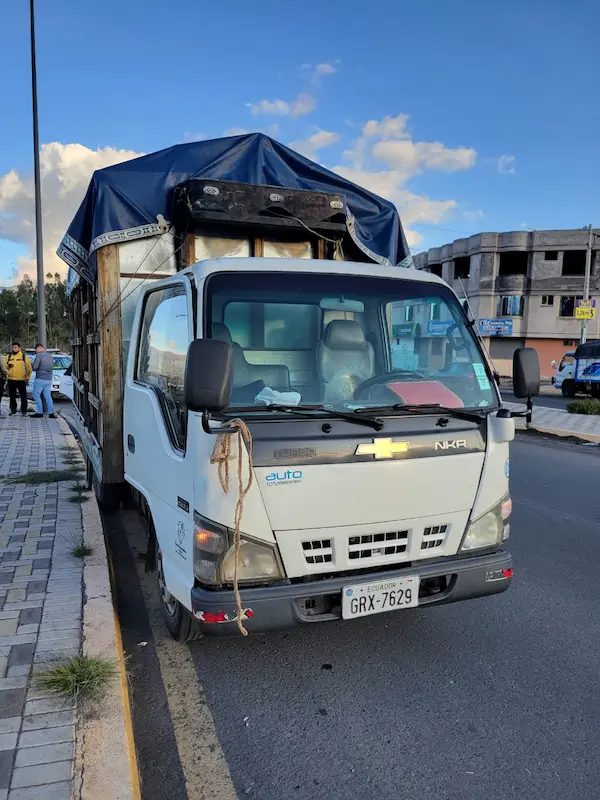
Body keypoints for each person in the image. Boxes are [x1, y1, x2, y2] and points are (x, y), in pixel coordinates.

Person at [30, 343, 56, 419]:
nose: (36, 351)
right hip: (49, 378)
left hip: (40, 378)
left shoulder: (38, 356)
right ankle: (51, 412)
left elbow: (35, 367)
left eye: (36, 350)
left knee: (36, 394)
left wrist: (31, 364)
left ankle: (39, 412)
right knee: (48, 396)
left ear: (38, 348)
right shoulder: (50, 356)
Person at [6, 343, 32, 417]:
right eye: (13, 347)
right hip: (11, 379)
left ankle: (24, 411)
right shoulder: (9, 356)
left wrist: (27, 378)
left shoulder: (24, 357)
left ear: (19, 348)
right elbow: (5, 367)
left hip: (21, 380)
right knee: (12, 396)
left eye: (15, 347)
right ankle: (13, 410)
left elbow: (29, 368)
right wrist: (8, 366)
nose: (14, 349)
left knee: (23, 396)